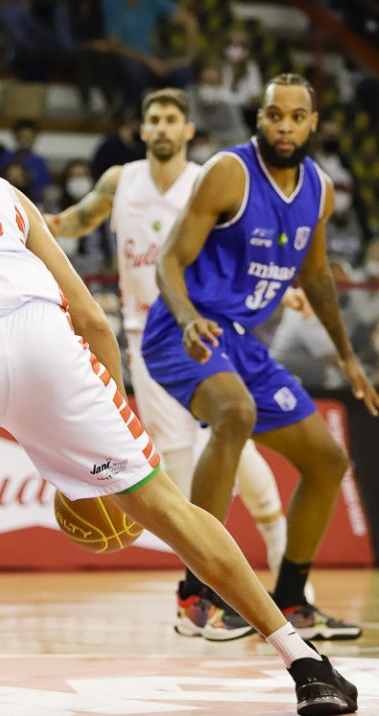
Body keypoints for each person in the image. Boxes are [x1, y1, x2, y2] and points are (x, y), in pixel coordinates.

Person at [0, 83, 358, 716]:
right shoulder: (2, 190)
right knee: (168, 507)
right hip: (49, 340)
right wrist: (109, 427)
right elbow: (92, 319)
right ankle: (304, 663)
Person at [141, 73, 379, 643]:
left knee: (327, 461)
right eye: (275, 116)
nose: (285, 127)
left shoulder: (319, 189)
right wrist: (188, 318)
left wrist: (348, 358)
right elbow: (169, 260)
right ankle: (196, 596)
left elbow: (315, 276)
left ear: (313, 123)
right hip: (182, 328)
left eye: (296, 117)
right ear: (260, 118)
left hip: (242, 339)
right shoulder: (230, 172)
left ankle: (293, 599)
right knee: (235, 414)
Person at [45, 89, 294, 630]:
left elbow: (251, 247)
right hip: (148, 340)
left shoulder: (209, 181)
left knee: (234, 443)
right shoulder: (121, 180)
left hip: (202, 332)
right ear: (142, 130)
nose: (161, 127)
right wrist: (30, 223)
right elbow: (75, 220)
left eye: (171, 119)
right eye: (153, 119)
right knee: (186, 463)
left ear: (187, 130)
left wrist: (283, 283)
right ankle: (202, 597)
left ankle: (274, 574)